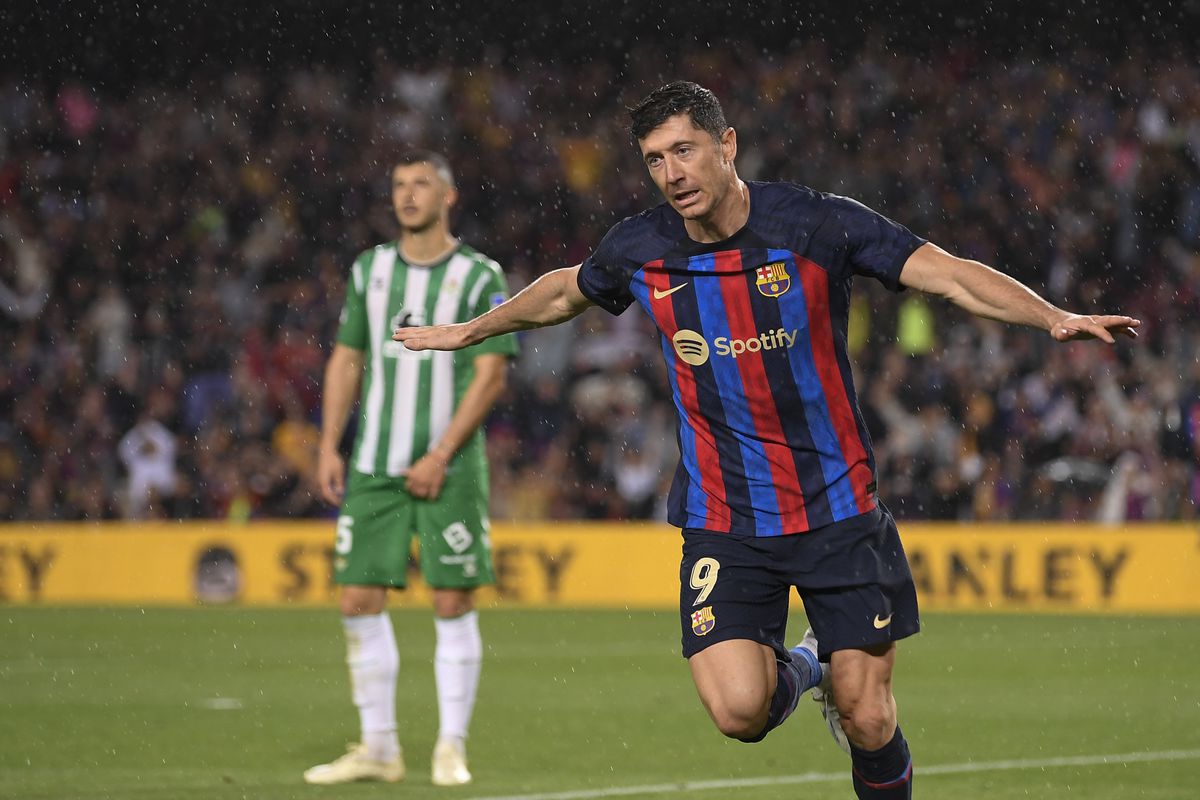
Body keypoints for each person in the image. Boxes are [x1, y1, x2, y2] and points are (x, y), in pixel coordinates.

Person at [393, 82, 1139, 799]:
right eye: (654, 159)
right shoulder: (642, 247)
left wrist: (1051, 317)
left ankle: (841, 693)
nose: (671, 173)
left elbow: (947, 275)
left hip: (837, 508)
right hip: (726, 517)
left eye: (684, 150)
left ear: (727, 145)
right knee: (738, 711)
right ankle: (809, 662)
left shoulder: (816, 225)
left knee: (868, 717)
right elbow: (564, 290)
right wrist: (472, 330)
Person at [305, 150, 518, 787]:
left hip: (450, 467)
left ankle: (451, 746)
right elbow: (347, 358)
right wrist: (328, 444)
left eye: (421, 183)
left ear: (448, 196)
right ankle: (379, 748)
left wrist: (440, 453)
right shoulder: (368, 269)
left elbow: (491, 373)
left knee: (451, 598)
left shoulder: (479, 275)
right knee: (357, 597)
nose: (407, 194)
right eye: (399, 184)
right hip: (376, 464)